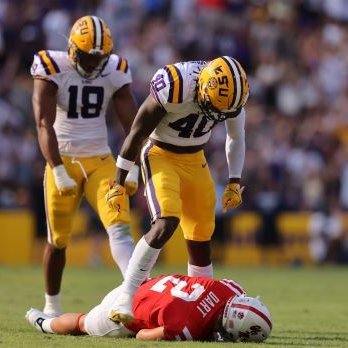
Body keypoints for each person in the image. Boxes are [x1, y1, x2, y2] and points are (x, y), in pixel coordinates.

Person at [105, 56, 249, 322]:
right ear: (203, 88)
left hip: (196, 159)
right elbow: (136, 133)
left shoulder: (230, 96)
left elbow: (236, 137)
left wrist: (234, 180)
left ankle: (198, 310)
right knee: (166, 222)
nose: (218, 115)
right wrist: (119, 180)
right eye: (215, 106)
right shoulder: (176, 84)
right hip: (161, 154)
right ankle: (127, 296)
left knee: (201, 236)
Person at [30, 15, 139, 317]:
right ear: (72, 49)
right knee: (58, 240)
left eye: (98, 58)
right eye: (88, 57)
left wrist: (134, 166)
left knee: (119, 230)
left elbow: (133, 125)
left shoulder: (116, 68)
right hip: (62, 158)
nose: (93, 64)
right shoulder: (52, 66)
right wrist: (57, 168)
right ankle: (51, 306)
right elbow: (43, 123)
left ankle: (135, 297)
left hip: (101, 162)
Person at [25, 274, 272, 342]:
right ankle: (43, 323)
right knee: (82, 323)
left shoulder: (230, 290)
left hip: (143, 284)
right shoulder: (186, 328)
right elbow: (142, 334)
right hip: (124, 310)